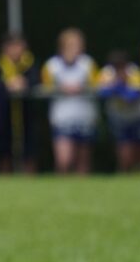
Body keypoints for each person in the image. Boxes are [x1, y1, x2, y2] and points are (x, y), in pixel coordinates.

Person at [41, 28, 98, 175]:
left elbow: (97, 85)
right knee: (64, 160)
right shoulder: (52, 65)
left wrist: (82, 88)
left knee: (83, 159)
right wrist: (61, 88)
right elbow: (45, 87)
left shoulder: (88, 64)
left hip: (84, 115)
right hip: (62, 117)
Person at [0, 32, 39, 174]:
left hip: (26, 115)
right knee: (3, 153)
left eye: (19, 46)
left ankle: (30, 180)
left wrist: (24, 83)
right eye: (12, 46)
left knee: (29, 151)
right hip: (3, 115)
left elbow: (36, 80)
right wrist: (7, 85)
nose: (16, 50)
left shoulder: (29, 63)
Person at [97, 50, 140, 173]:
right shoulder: (107, 72)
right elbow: (101, 92)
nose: (119, 70)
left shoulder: (135, 72)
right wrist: (119, 87)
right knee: (124, 146)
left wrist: (116, 87)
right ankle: (124, 171)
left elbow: (133, 96)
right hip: (120, 116)